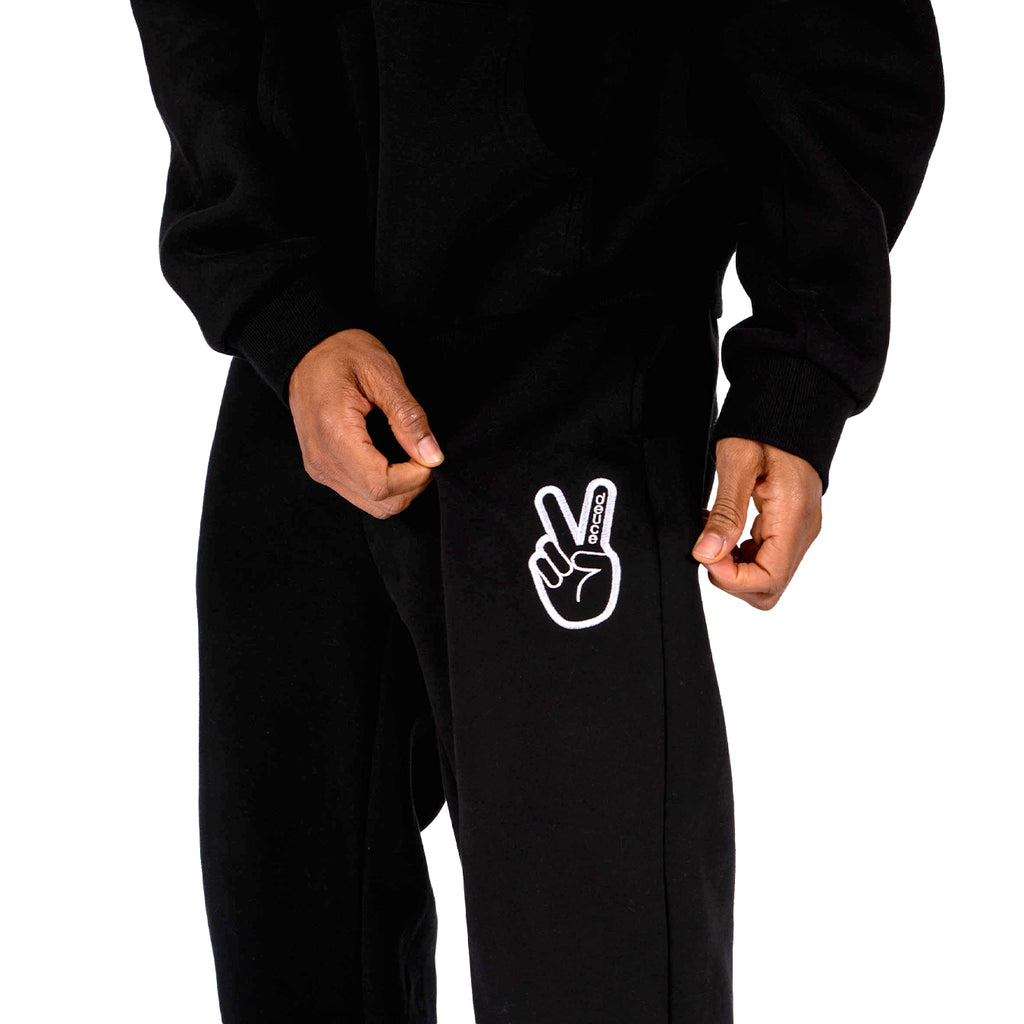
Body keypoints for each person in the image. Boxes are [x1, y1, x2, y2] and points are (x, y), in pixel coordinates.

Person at [128, 1, 944, 1021]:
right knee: (293, 932)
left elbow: (849, 42)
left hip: (585, 341)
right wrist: (282, 306)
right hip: (306, 367)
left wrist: (799, 365)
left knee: (597, 962)